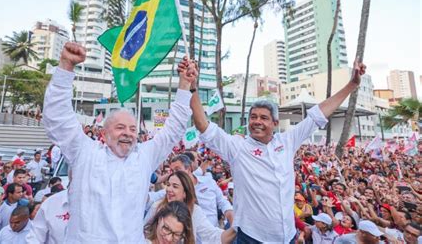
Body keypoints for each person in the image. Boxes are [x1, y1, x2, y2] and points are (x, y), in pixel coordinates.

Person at [186, 58, 367, 243]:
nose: (257, 121)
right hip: (252, 237)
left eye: (263, 118)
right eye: (253, 117)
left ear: (275, 123)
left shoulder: (287, 141)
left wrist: (352, 84)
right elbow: (202, 124)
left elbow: (319, 113)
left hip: (287, 236)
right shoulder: (237, 147)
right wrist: (192, 86)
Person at [42, 42, 197, 242]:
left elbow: (173, 129)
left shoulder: (144, 156)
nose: (128, 133)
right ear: (105, 134)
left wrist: (184, 85)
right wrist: (65, 67)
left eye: (133, 129)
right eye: (120, 127)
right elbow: (57, 117)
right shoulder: (85, 152)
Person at [145, 171, 236, 243]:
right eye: (168, 185)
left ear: (185, 193)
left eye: (175, 186)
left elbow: (212, 236)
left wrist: (236, 227)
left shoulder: (195, 211)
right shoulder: (157, 207)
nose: (169, 189)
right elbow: (142, 232)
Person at [169, 154, 234, 227]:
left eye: (177, 169)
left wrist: (230, 215)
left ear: (189, 168)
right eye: (172, 171)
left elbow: (222, 202)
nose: (175, 173)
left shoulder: (208, 181)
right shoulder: (174, 191)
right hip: (190, 234)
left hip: (213, 232)